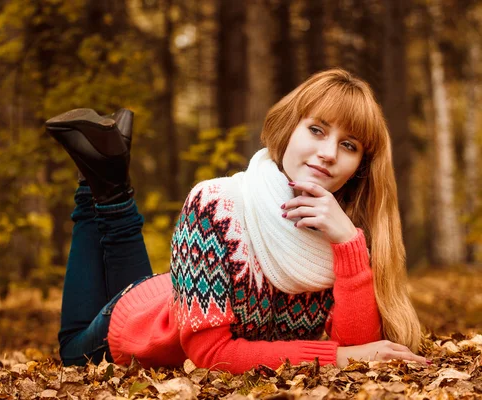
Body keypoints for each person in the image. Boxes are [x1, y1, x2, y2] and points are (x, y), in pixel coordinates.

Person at [45, 69, 427, 374]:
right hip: (135, 328)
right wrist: (335, 358)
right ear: (289, 129)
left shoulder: (348, 228)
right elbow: (210, 353)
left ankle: (106, 173)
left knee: (129, 265)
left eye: (349, 145)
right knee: (72, 348)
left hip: (175, 299)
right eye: (316, 130)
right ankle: (94, 184)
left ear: (360, 166)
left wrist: (347, 243)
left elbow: (360, 348)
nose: (328, 153)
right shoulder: (217, 204)